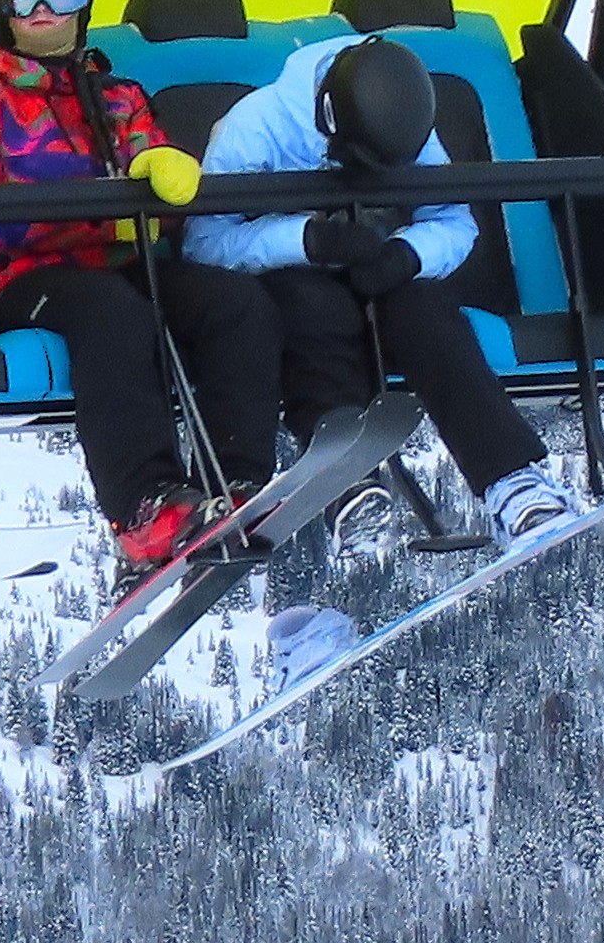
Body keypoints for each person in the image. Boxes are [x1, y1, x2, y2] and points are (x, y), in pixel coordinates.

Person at [0, 0, 279, 581]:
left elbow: (157, 182)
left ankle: (235, 482)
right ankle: (145, 505)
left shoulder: (116, 98)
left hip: (116, 266)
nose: (41, 9)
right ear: (2, 6)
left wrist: (160, 184)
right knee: (112, 313)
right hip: (11, 280)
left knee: (235, 303)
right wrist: (100, 220)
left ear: (85, 5)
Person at [179, 28, 579, 556]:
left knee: (425, 309)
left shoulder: (407, 124)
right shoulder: (253, 130)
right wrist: (305, 239)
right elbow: (205, 243)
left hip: (376, 261)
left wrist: (408, 253)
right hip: (290, 275)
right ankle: (343, 473)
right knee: (309, 308)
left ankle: (511, 479)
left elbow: (453, 220)